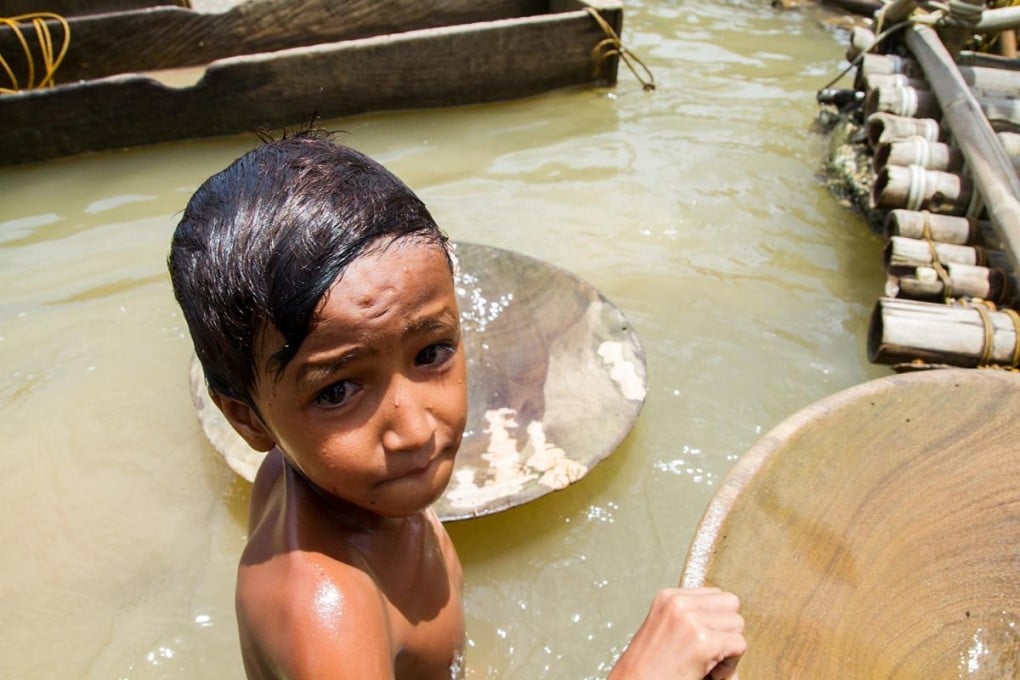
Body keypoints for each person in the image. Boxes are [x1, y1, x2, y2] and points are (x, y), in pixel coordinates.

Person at [168, 131, 746, 679]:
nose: (416, 430)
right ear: (246, 418)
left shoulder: (321, 477)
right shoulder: (327, 615)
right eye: (338, 391)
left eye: (431, 352)